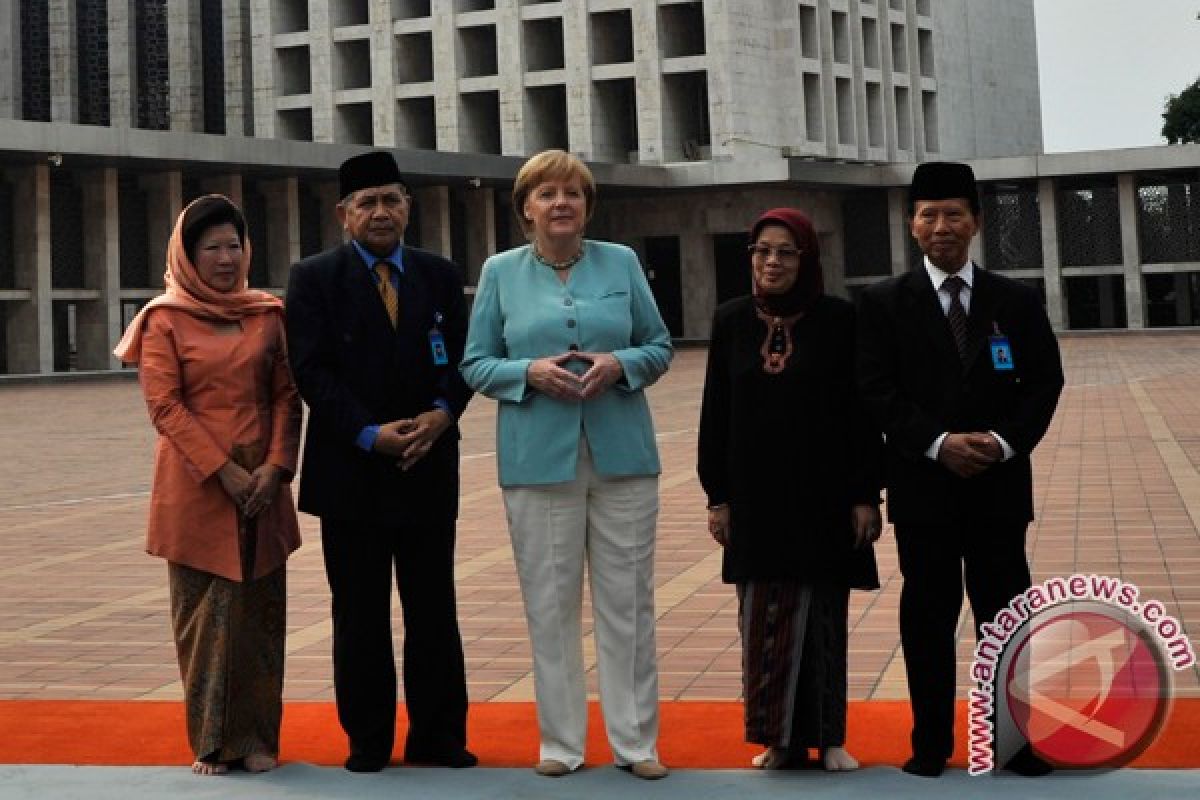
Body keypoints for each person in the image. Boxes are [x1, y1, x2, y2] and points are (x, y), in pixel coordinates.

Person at [460, 149, 673, 780]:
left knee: (628, 602)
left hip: (623, 455)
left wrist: (621, 364)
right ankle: (561, 742)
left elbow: (658, 345)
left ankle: (636, 743)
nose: (562, 204)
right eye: (547, 194)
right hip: (537, 460)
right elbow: (475, 363)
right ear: (525, 208)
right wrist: (527, 372)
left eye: (573, 194)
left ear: (587, 206)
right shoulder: (501, 272)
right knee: (549, 603)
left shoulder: (622, 262)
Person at [856, 162, 1064, 777]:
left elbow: (1043, 383)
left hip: (998, 488)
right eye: (928, 215)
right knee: (928, 614)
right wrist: (939, 442)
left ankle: (1014, 740)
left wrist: (1002, 443)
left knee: (1006, 615)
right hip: (924, 489)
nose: (940, 226)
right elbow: (874, 390)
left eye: (953, 214)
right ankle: (930, 743)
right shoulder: (882, 303)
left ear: (974, 222)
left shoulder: (1016, 301)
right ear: (911, 224)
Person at [285, 151, 475, 773]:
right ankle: (368, 738)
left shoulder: (440, 275)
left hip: (427, 464)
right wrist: (369, 433)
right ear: (343, 214)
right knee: (359, 614)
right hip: (352, 475)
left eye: (392, 199)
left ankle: (439, 735)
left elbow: (466, 360)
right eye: (367, 202)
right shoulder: (313, 278)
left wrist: (442, 414)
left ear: (408, 207)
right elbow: (311, 370)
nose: (381, 212)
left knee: (433, 610)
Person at [113, 194, 302, 776]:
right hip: (198, 485)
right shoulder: (164, 318)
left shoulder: (268, 313)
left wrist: (273, 468)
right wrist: (224, 471)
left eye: (234, 245)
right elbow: (165, 406)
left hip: (264, 482)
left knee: (262, 615)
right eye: (212, 247)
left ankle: (259, 737)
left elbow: (285, 396)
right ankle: (214, 742)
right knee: (205, 619)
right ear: (188, 255)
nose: (226, 257)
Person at [697, 208, 882, 773]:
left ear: (807, 259)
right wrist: (718, 497)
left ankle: (829, 739)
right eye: (761, 251)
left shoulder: (839, 319)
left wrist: (864, 495)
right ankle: (777, 739)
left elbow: (859, 414)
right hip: (755, 502)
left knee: (822, 619)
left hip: (823, 497)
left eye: (785, 252)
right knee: (762, 623)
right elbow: (715, 414)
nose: (771, 262)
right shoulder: (731, 320)